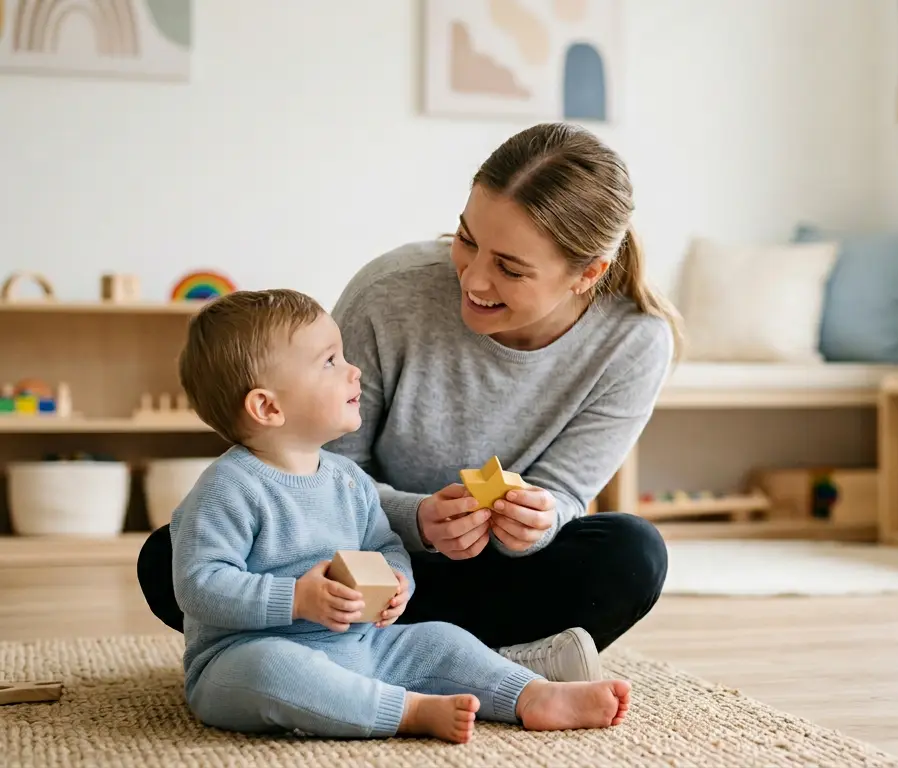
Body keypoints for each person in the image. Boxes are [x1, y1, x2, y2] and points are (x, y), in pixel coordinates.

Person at [137, 121, 679, 683]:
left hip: (488, 577)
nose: (472, 279)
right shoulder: (390, 292)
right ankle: (479, 663)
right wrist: (417, 521)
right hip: (362, 560)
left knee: (632, 553)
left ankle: (361, 661)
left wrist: (536, 524)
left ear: (587, 274)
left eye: (510, 268)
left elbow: (566, 492)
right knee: (173, 556)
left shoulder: (635, 341)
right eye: (467, 240)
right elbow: (316, 467)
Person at [169, 289, 631, 742]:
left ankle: (529, 695)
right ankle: (406, 710)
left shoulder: (347, 478)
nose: (354, 371)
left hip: (360, 645)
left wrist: (396, 581)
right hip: (243, 657)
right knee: (275, 670)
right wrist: (296, 599)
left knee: (439, 640)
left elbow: (384, 543)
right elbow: (199, 585)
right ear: (268, 407)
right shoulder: (229, 487)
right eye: (330, 362)